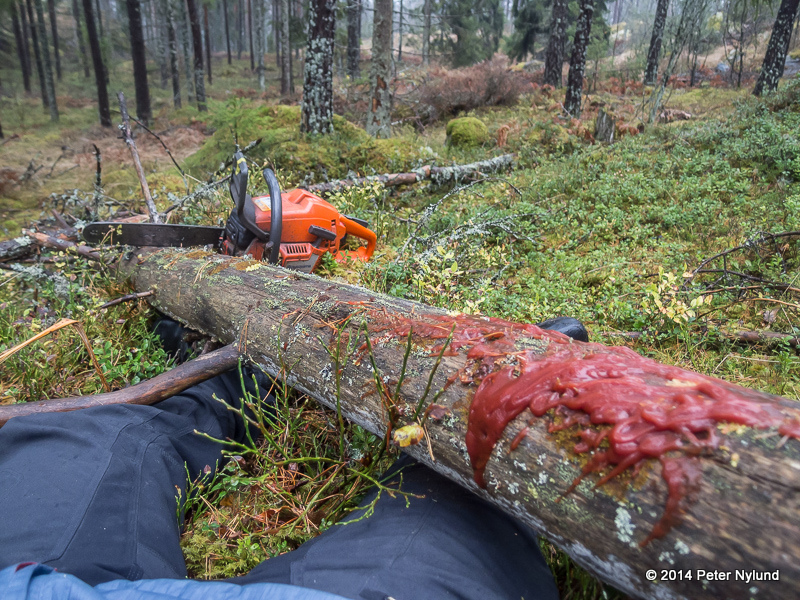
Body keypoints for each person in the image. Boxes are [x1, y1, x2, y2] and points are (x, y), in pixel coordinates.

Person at [0, 316, 586, 600]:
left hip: (34, 586)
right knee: (443, 519)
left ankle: (247, 374)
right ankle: (501, 410)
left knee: (88, 436)